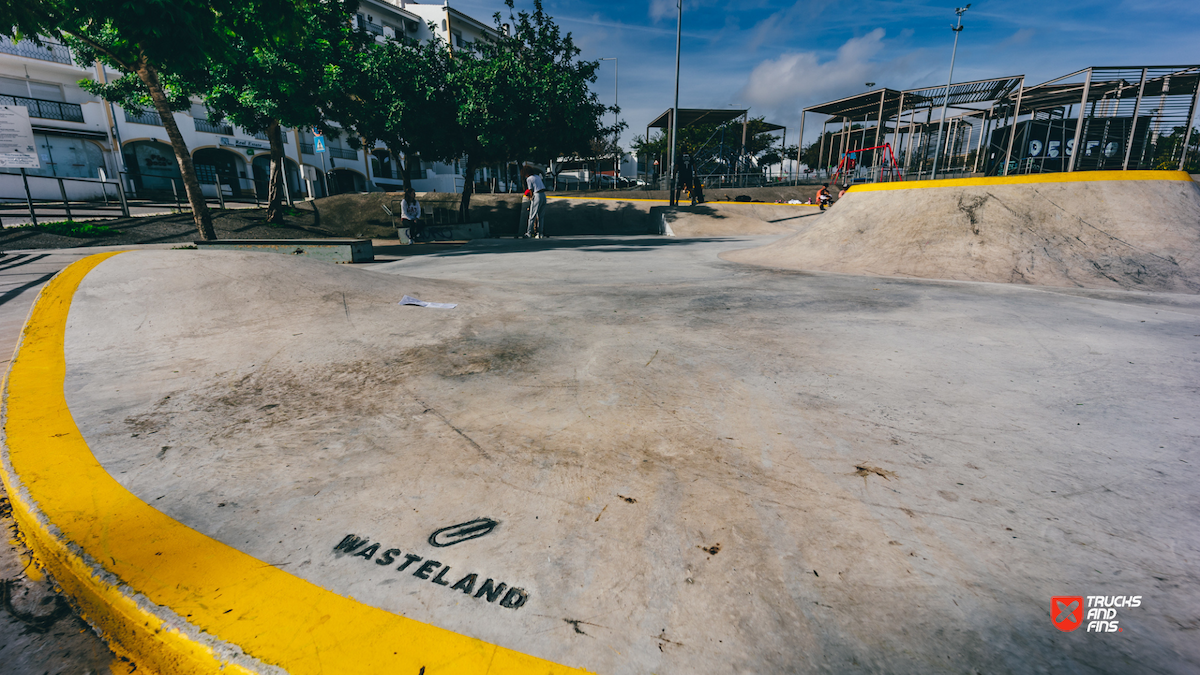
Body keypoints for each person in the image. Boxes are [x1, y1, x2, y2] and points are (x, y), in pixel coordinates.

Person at [522, 164, 547, 238]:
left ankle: (529, 232)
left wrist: (531, 198)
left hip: (537, 195)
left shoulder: (529, 179)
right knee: (541, 216)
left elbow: (530, 190)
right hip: (543, 195)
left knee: (532, 215)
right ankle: (540, 233)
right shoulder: (537, 176)